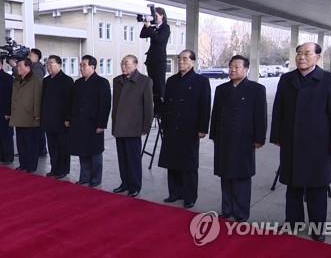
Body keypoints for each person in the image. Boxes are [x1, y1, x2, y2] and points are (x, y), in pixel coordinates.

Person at [270, 42, 331, 242]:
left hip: (318, 144)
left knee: (317, 187)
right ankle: (292, 221)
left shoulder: (330, 80)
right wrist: (277, 136)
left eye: (306, 53)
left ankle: (317, 227)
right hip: (291, 142)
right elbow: (278, 110)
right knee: (293, 186)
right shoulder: (287, 79)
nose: (301, 57)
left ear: (317, 57)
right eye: (298, 54)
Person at [209, 55, 267, 222]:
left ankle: (241, 212)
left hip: (244, 140)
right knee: (225, 175)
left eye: (236, 67)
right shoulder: (221, 89)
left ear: (246, 69)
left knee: (241, 176)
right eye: (231, 67)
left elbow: (260, 116)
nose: (232, 70)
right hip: (223, 139)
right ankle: (227, 209)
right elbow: (216, 114)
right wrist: (214, 134)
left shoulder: (256, 89)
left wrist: (259, 138)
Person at [158, 49, 211, 209]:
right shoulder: (172, 80)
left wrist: (202, 128)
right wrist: (164, 124)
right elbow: (167, 105)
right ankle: (174, 193)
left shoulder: (201, 81)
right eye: (180, 59)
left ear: (193, 62)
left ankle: (189, 197)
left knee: (188, 164)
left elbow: (205, 106)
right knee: (172, 162)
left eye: (185, 59)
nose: (181, 62)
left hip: (190, 128)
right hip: (172, 127)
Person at [111, 55, 153, 197]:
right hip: (119, 127)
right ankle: (125, 183)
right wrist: (114, 124)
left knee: (133, 159)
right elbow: (115, 106)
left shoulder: (144, 81)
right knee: (122, 158)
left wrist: (145, 127)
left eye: (127, 64)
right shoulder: (117, 81)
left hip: (134, 127)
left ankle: (135, 186)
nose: (123, 66)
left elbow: (148, 107)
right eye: (122, 64)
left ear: (136, 65)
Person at [70, 55, 111, 187]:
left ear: (92, 67)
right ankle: (84, 177)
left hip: (94, 123)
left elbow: (105, 105)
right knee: (82, 151)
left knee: (95, 152)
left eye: (84, 65)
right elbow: (73, 104)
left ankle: (95, 178)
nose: (81, 68)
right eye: (80, 65)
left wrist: (101, 124)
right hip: (80, 123)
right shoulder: (78, 83)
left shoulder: (102, 82)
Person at [41, 55, 74, 179]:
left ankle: (63, 170)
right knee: (52, 147)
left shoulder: (67, 80)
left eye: (51, 63)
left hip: (62, 121)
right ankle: (54, 168)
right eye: (47, 63)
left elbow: (70, 101)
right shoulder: (46, 81)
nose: (48, 66)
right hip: (49, 120)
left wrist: (68, 118)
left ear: (60, 65)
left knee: (63, 147)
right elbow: (43, 101)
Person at [9, 58, 43, 173]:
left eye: (20, 66)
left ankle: (31, 165)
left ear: (27, 67)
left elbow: (37, 98)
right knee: (21, 142)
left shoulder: (35, 80)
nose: (17, 68)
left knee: (30, 143)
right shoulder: (17, 80)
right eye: (17, 66)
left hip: (30, 117)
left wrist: (37, 114)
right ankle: (23, 164)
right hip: (18, 115)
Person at [139, 7, 170, 117]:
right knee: (153, 86)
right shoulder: (154, 27)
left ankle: (162, 109)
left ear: (162, 15)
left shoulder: (165, 28)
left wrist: (151, 29)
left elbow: (159, 39)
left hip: (160, 60)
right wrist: (146, 24)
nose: (155, 18)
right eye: (154, 16)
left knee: (160, 85)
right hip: (151, 60)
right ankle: (156, 110)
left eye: (156, 16)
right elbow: (142, 35)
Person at [28, 48, 48, 156]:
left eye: (31, 55)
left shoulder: (38, 68)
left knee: (38, 129)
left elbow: (33, 81)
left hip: (37, 101)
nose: (29, 57)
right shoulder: (32, 67)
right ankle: (38, 149)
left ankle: (41, 150)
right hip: (30, 102)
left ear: (37, 57)